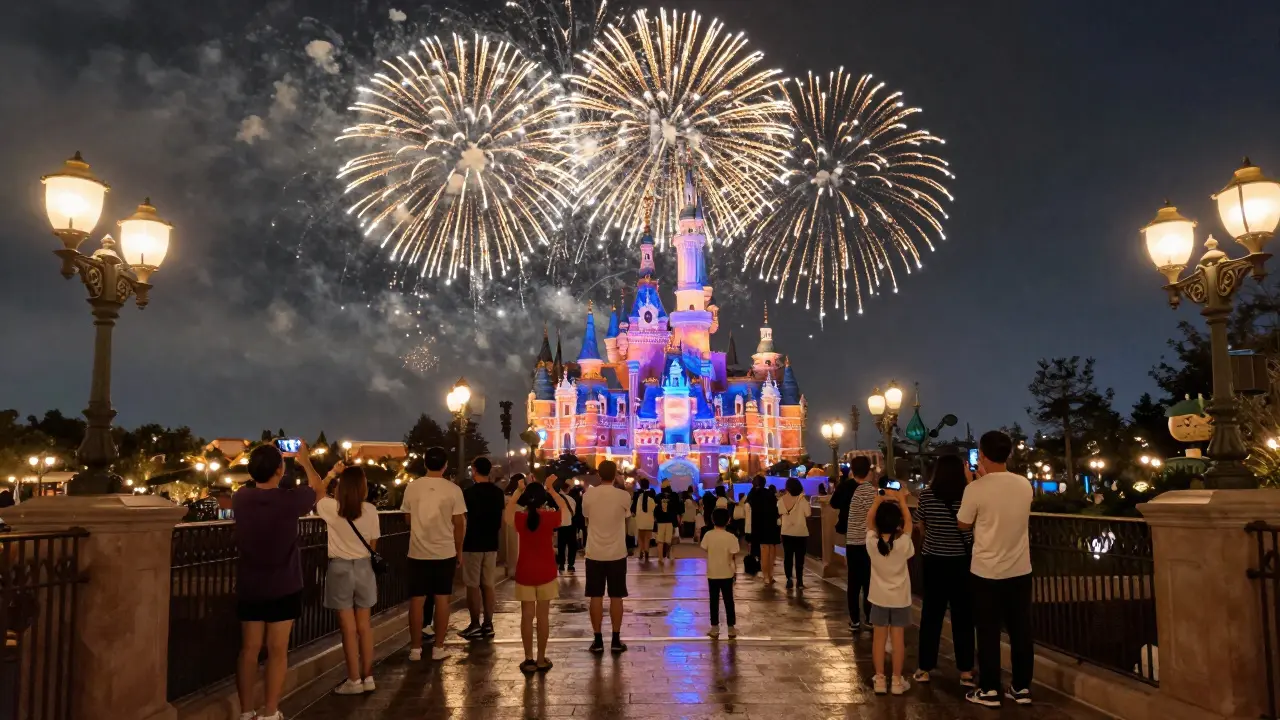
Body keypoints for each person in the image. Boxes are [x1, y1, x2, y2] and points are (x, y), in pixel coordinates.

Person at [232, 441, 329, 720]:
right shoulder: (290, 500)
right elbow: (318, 489)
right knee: (277, 650)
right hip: (284, 584)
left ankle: (245, 711)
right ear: (279, 469)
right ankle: (270, 711)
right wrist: (306, 461)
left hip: (250, 584)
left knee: (249, 650)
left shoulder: (241, 498)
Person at [958, 431, 1034, 708]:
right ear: (1008, 454)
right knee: (1021, 631)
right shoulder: (1024, 484)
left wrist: (973, 484)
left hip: (986, 571)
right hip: (1020, 568)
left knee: (988, 631)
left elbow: (964, 524)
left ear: (983, 455)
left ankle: (990, 689)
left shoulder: (975, 488)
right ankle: (1022, 687)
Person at [315, 464, 380, 696]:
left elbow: (317, 491)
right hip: (364, 567)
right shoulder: (371, 510)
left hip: (340, 568)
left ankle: (353, 680)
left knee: (348, 628)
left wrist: (331, 473)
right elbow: (373, 544)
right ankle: (369, 676)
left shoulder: (333, 508)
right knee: (365, 625)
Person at [912, 454, 976, 687]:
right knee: (963, 616)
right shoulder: (967, 494)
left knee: (931, 615)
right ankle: (966, 671)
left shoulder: (927, 495)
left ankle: (924, 667)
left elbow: (920, 523)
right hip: (961, 561)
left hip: (934, 560)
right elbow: (970, 526)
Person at [400, 446, 466, 662]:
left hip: (418, 551)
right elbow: (459, 523)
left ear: (425, 463)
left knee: (417, 601)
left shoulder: (412, 488)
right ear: (445, 465)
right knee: (442, 599)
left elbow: (407, 518)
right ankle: (438, 647)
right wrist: (459, 551)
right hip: (445, 551)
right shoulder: (453, 490)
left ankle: (415, 649)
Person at [506, 473, 569, 674]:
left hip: (525, 571)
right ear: (543, 499)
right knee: (543, 617)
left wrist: (518, 491)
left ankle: (528, 658)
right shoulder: (550, 517)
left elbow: (506, 513)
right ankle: (541, 659)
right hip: (546, 572)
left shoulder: (519, 518)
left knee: (526, 616)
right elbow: (566, 513)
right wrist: (551, 489)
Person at [866, 488, 915, 696]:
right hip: (900, 599)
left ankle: (879, 678)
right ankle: (896, 680)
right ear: (898, 524)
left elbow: (869, 523)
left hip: (878, 598)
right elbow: (910, 525)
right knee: (897, 641)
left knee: (878, 640)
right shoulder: (903, 543)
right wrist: (902, 501)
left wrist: (876, 502)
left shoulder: (872, 543)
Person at [581, 460, 632, 654]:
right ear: (616, 474)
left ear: (599, 475)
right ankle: (616, 640)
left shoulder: (589, 495)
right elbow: (627, 515)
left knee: (595, 596)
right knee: (616, 596)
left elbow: (586, 515)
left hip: (594, 551)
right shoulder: (623, 496)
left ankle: (597, 640)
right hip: (617, 552)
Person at [460, 457, 504, 640]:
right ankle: (488, 623)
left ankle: (474, 624)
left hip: (472, 543)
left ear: (475, 470)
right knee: (488, 584)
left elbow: (463, 521)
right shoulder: (497, 493)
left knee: (472, 585)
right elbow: (500, 520)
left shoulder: (468, 493)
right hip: (491, 543)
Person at [844, 457, 878, 631]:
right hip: (867, 543)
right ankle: (870, 618)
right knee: (868, 582)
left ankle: (855, 620)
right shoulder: (870, 491)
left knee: (854, 582)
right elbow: (874, 517)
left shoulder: (857, 491)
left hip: (852, 542)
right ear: (869, 471)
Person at [701, 507, 740, 638]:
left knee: (714, 600)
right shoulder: (731, 537)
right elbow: (734, 553)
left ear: (712, 520)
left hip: (712, 572)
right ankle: (731, 627)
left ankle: (714, 627)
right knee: (729, 600)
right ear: (728, 520)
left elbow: (705, 548)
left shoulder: (708, 535)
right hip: (727, 572)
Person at [778, 477, 811, 590]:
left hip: (786, 532)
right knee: (799, 558)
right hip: (801, 533)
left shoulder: (781, 500)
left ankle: (789, 579)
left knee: (788, 556)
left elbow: (779, 511)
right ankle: (800, 581)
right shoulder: (802, 500)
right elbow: (808, 513)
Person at [746, 475, 780, 584]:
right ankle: (771, 575)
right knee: (772, 550)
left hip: (759, 526)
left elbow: (748, 504)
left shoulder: (753, 495)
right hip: (772, 525)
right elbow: (776, 509)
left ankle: (765, 576)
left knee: (764, 551)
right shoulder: (770, 493)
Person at [557, 479, 580, 573]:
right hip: (570, 524)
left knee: (561, 546)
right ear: (568, 489)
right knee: (572, 545)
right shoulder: (571, 499)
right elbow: (574, 512)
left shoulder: (556, 498)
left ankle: (561, 564)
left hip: (560, 524)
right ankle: (571, 564)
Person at [653, 480, 680, 561]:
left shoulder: (657, 497)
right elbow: (676, 509)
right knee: (669, 540)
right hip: (670, 521)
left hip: (660, 521)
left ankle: (660, 558)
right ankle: (669, 554)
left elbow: (656, 509)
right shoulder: (674, 496)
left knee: (660, 540)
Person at [631, 478, 656, 562]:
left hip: (640, 517)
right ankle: (647, 552)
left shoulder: (637, 494)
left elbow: (633, 506)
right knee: (647, 537)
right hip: (649, 517)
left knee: (640, 536)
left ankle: (641, 551)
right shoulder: (652, 493)